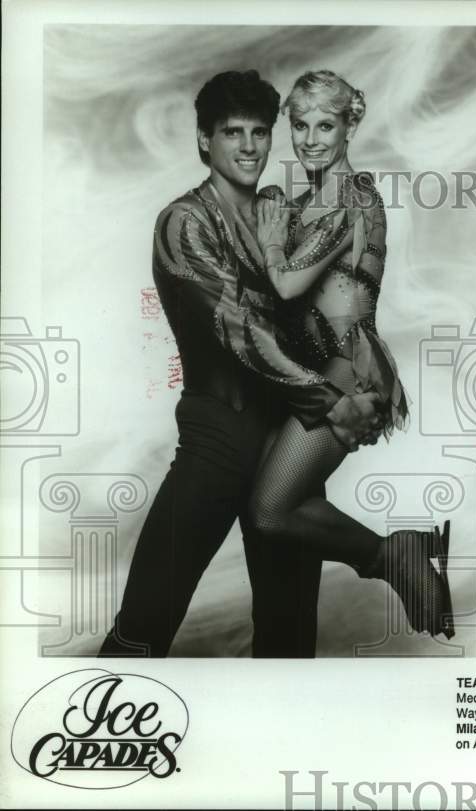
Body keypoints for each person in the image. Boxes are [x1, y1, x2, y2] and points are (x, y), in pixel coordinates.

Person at [100, 70, 386, 658]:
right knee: (146, 620)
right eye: (233, 133)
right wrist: (334, 401)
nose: (250, 146)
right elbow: (243, 333)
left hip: (283, 436)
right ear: (204, 140)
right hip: (218, 438)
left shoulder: (279, 217)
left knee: (288, 636)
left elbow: (320, 310)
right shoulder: (184, 222)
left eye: (260, 132)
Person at [250, 70, 453, 639]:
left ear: (350, 125)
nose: (311, 139)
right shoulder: (311, 198)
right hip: (314, 373)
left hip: (347, 374)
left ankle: (398, 555)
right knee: (288, 514)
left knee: (270, 512)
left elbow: (287, 286)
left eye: (325, 125)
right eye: (299, 125)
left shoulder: (351, 195)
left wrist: (272, 227)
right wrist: (274, 207)